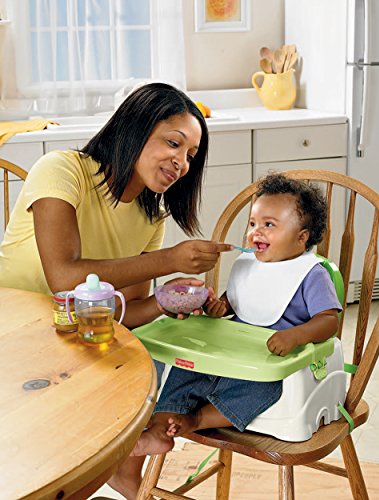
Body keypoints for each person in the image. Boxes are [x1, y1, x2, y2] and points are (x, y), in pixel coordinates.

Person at [129, 173, 342, 480]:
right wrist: (220, 307)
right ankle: (160, 428)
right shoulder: (248, 265)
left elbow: (329, 320)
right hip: (232, 353)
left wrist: (296, 336)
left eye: (269, 225)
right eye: (253, 223)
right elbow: (236, 301)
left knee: (261, 387)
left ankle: (198, 419)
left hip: (273, 362)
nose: (256, 232)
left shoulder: (311, 274)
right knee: (185, 367)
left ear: (302, 237)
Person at [0, 82, 232, 329]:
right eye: (174, 143)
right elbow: (64, 279)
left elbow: (121, 314)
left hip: (76, 334)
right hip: (12, 327)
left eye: (190, 156)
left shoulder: (151, 219)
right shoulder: (61, 170)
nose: (182, 163)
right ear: (136, 130)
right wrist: (170, 259)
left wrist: (161, 301)